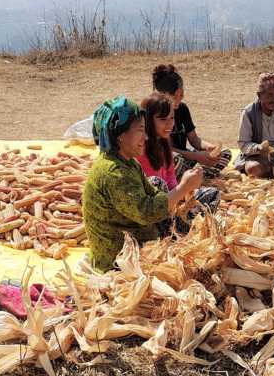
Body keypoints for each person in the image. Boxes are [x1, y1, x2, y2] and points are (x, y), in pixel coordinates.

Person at [82, 96, 203, 272]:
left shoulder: (128, 162)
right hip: (119, 260)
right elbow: (146, 212)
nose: (146, 137)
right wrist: (182, 188)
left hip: (139, 240)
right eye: (140, 130)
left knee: (165, 190)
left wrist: (182, 195)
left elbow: (153, 194)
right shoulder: (114, 173)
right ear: (120, 136)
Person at [137, 92, 221, 233]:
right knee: (157, 182)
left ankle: (186, 225)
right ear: (148, 120)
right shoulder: (140, 149)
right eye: (163, 119)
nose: (170, 124)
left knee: (213, 194)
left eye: (172, 118)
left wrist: (185, 191)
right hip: (154, 214)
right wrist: (183, 188)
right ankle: (174, 230)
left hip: (171, 204)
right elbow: (153, 196)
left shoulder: (164, 145)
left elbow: (171, 180)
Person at [152, 64, 232, 182]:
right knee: (175, 159)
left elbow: (193, 138)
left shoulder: (182, 109)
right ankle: (190, 178)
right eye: (175, 96)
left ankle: (194, 177)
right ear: (162, 94)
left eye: (181, 95)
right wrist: (195, 156)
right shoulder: (155, 112)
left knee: (225, 153)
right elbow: (166, 150)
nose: (179, 99)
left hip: (186, 157)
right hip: (168, 158)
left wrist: (208, 147)